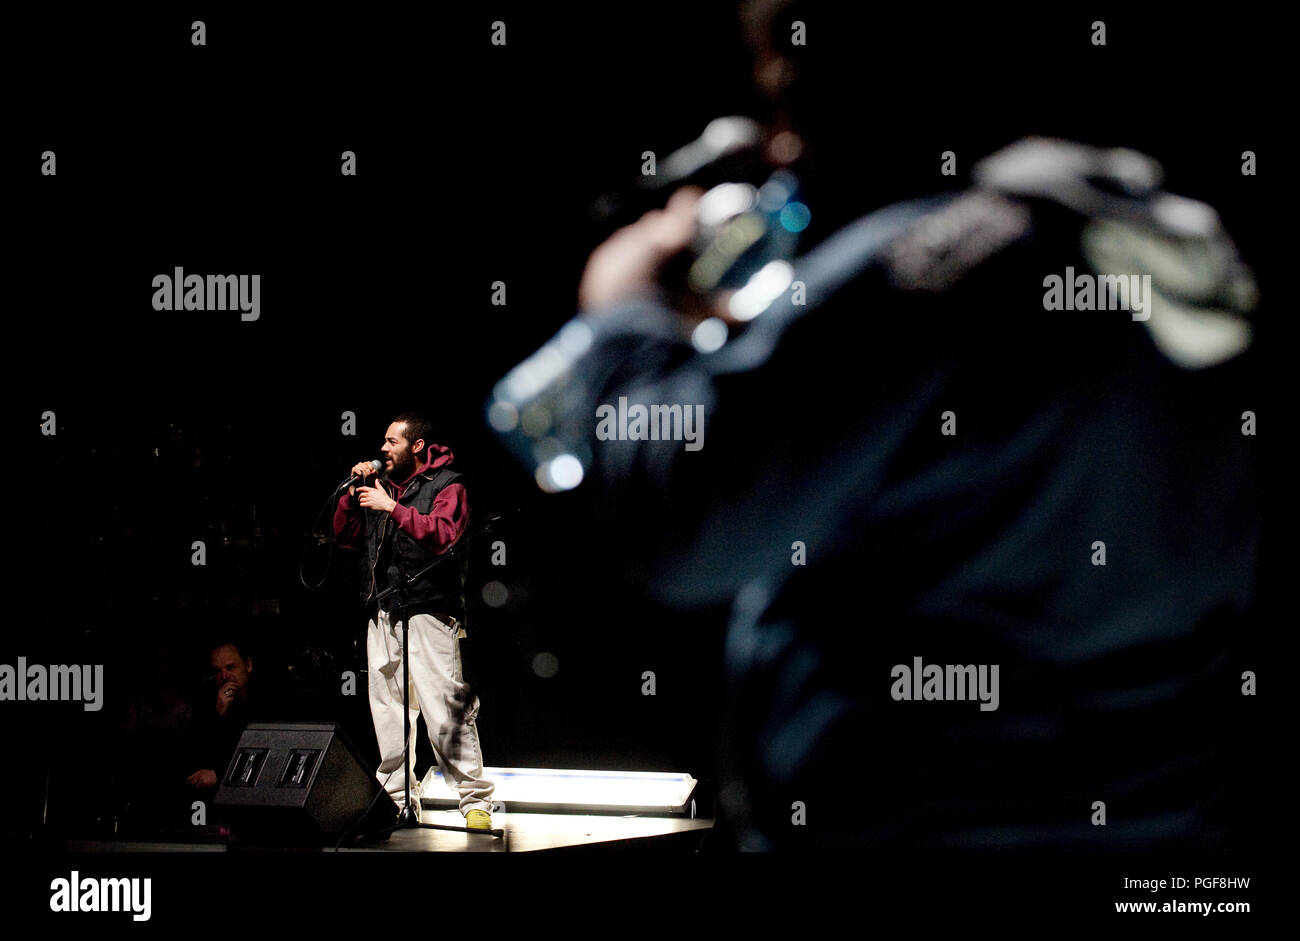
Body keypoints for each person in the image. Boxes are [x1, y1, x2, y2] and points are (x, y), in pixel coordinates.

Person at [487, 6, 1263, 850]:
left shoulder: (942, 261)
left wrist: (627, 316)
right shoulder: (1157, 247)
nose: (783, 145)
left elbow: (680, 515)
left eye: (786, 91)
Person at [332, 413, 495, 830]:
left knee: (444, 706)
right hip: (384, 608)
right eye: (382, 442)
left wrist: (392, 507)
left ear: (416, 446)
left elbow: (442, 534)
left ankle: (474, 800)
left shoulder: (448, 484)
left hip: (430, 608)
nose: (383, 449)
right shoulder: (378, 484)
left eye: (392, 442)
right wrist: (350, 496)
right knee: (388, 708)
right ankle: (397, 799)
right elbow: (347, 537)